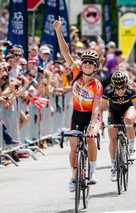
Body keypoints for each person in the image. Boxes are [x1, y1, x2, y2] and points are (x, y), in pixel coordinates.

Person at [54, 17, 103, 192]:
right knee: (73, 146)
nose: (87, 65)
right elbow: (66, 52)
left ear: (95, 67)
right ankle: (74, 175)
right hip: (77, 113)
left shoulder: (97, 85)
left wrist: (92, 126)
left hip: (92, 115)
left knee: (91, 138)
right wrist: (59, 31)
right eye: (85, 62)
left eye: (91, 63)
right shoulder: (76, 72)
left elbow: (97, 107)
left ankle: (93, 170)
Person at [100, 71, 136, 181]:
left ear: (126, 85)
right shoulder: (108, 90)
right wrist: (100, 121)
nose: (120, 91)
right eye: (117, 89)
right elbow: (101, 108)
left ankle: (132, 148)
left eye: (122, 88)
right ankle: (114, 167)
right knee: (112, 139)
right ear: (113, 86)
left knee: (128, 120)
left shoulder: (131, 90)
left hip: (128, 109)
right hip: (114, 112)